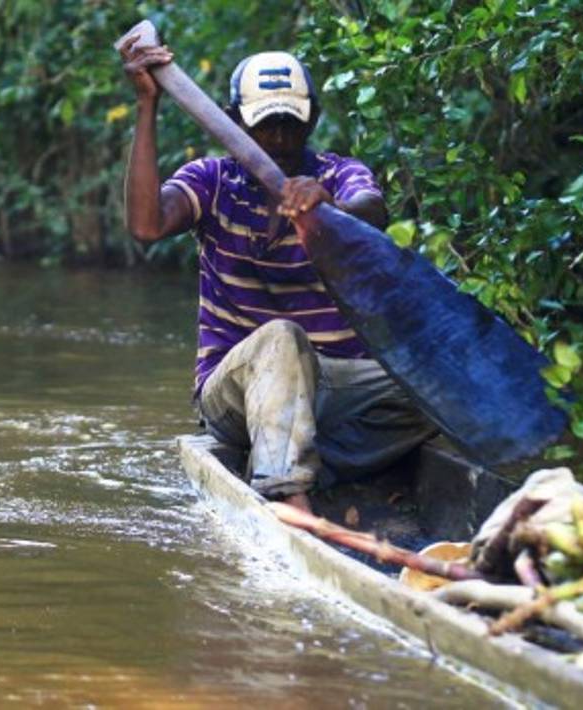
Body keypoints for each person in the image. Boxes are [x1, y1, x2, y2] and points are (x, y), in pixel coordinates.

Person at [119, 39, 435, 512]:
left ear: (313, 119)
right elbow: (146, 225)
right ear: (236, 121)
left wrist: (328, 208)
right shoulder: (213, 181)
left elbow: (372, 211)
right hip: (237, 388)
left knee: (438, 384)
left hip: (335, 385)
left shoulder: (337, 174)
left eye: (291, 122)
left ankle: (306, 457)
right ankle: (290, 496)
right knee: (283, 339)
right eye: (267, 124)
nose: (281, 138)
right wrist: (147, 105)